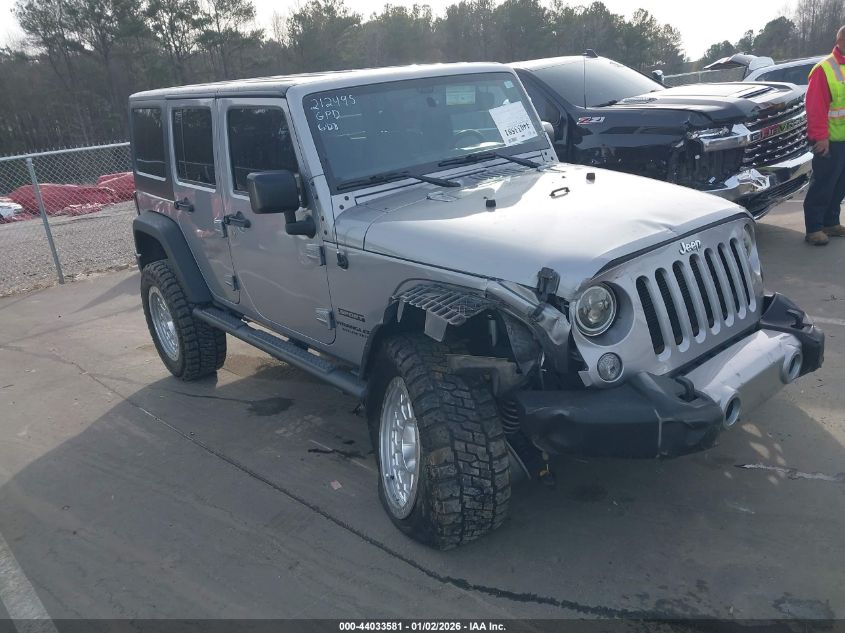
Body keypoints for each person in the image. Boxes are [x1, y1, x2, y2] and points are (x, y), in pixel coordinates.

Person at [803, 25, 845, 246]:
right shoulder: (824, 69)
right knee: (823, 184)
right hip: (829, 141)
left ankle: (831, 222)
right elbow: (815, 108)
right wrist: (820, 138)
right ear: (841, 41)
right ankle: (814, 228)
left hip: (843, 140)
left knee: (839, 185)